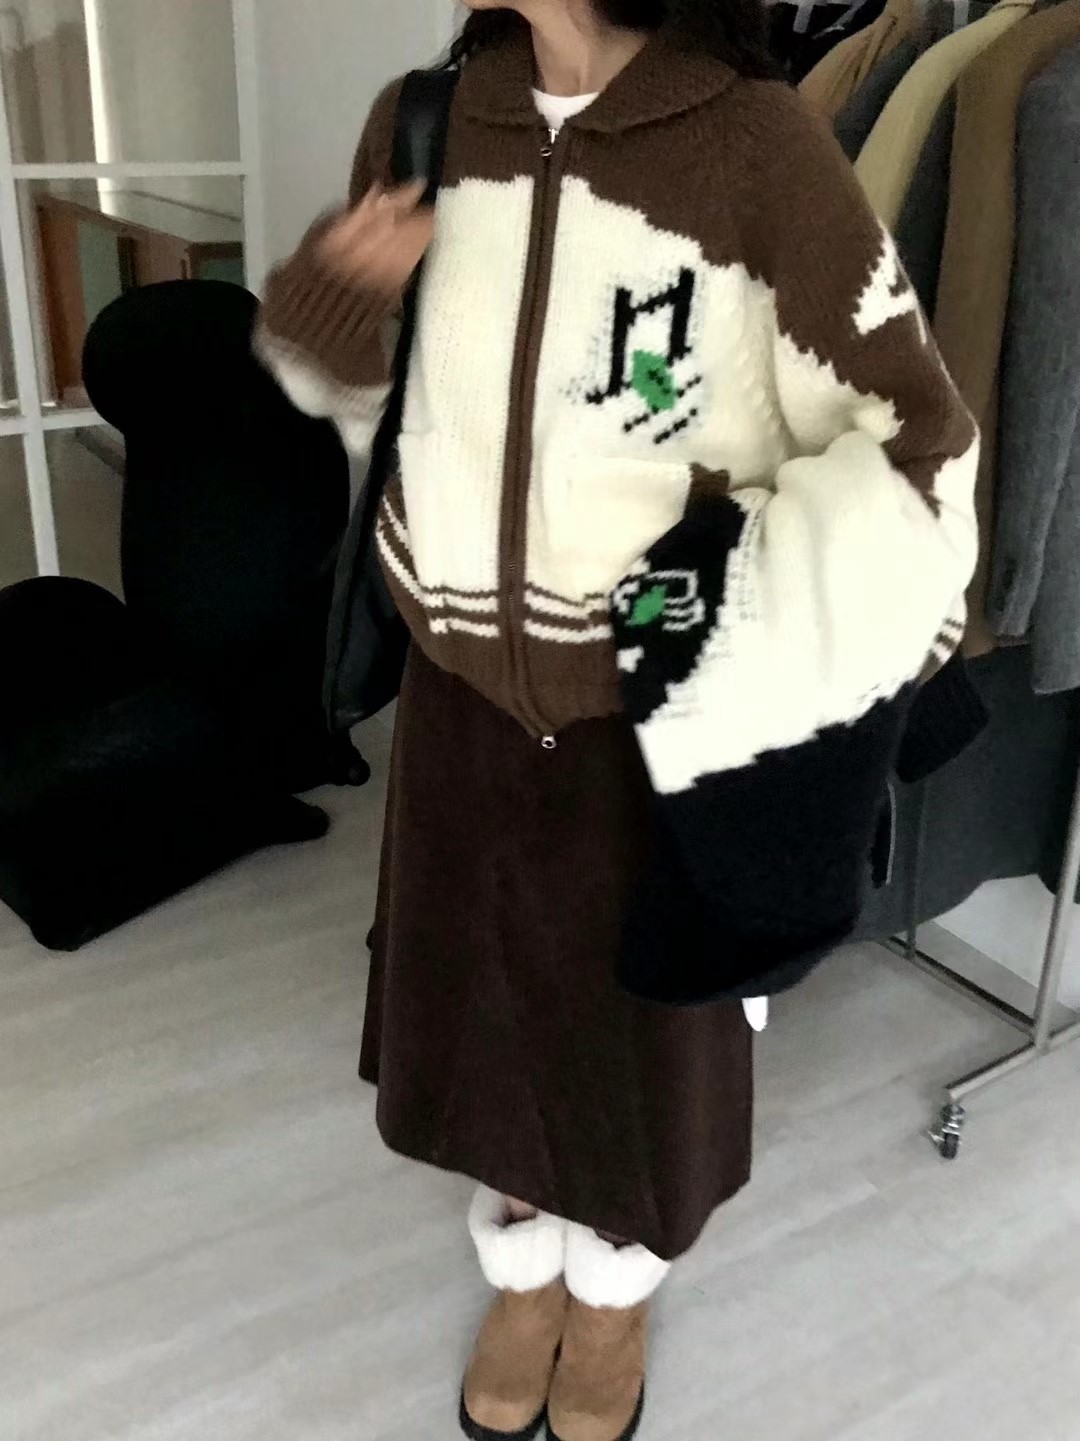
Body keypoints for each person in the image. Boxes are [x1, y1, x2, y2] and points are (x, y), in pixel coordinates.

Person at [256, 3, 979, 1439]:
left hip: (641, 723)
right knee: (489, 1023)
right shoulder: (429, 117)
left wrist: (718, 602)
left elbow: (916, 445)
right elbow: (358, 406)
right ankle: (523, 1268)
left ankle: (614, 1292)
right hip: (461, 704)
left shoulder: (755, 146)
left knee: (639, 1056)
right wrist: (329, 307)